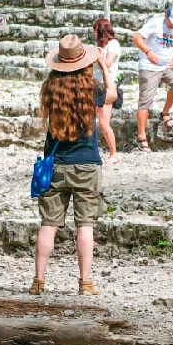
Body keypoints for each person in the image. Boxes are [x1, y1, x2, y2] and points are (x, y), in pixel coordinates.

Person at [31, 34, 111, 296]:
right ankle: (85, 282)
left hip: (56, 165)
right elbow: (112, 96)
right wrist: (103, 65)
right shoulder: (92, 88)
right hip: (87, 164)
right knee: (84, 224)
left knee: (48, 224)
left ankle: (38, 281)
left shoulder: (50, 88)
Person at [133, 3, 173, 152]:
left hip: (166, 66)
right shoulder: (155, 23)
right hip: (149, 66)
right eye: (170, 22)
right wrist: (148, 52)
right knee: (145, 101)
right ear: (165, 15)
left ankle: (165, 112)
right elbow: (137, 38)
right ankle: (141, 136)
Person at [92, 18, 123, 165]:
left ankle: (114, 153)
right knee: (89, 120)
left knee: (104, 122)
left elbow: (108, 64)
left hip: (108, 86)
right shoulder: (97, 46)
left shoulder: (113, 45)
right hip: (95, 84)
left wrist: (99, 56)